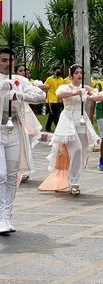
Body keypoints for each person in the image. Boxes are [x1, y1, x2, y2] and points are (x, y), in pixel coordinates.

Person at [0, 48, 46, 233]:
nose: (7, 63)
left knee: (12, 175)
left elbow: (40, 96)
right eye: (3, 60)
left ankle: (5, 217)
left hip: (14, 129)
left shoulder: (21, 81)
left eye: (10, 60)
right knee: (0, 175)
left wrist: (20, 95)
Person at [39, 65, 103, 196]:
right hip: (68, 121)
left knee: (82, 152)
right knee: (77, 150)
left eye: (81, 73)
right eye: (76, 73)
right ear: (71, 75)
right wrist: (75, 92)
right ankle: (74, 182)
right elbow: (59, 94)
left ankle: (75, 181)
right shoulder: (66, 86)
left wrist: (92, 96)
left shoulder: (85, 87)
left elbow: (101, 96)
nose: (79, 75)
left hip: (81, 121)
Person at [14, 65, 46, 183]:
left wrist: (22, 95)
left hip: (26, 114)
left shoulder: (26, 82)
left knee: (26, 141)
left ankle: (24, 171)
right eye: (20, 71)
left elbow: (41, 92)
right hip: (14, 115)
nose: (23, 73)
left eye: (24, 71)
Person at [44, 65, 64, 132]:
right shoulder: (49, 79)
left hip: (59, 100)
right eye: (57, 71)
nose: (59, 72)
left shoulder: (62, 79)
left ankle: (47, 127)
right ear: (53, 71)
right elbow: (45, 87)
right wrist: (45, 98)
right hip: (51, 101)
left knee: (52, 115)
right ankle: (58, 129)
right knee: (55, 115)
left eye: (59, 71)